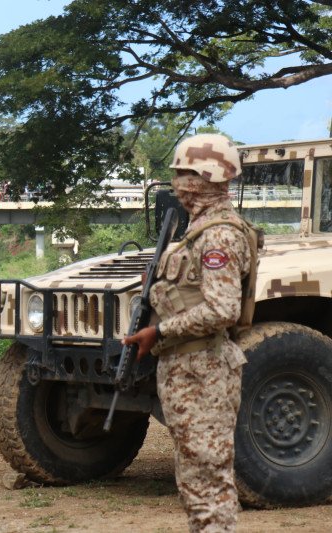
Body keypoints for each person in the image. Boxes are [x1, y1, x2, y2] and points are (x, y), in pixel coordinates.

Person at [123, 133, 255, 532]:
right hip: (187, 368)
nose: (177, 183)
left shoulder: (219, 235)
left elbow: (222, 309)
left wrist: (159, 331)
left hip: (204, 370)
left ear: (205, 176)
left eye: (183, 173)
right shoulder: (197, 230)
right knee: (195, 480)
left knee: (209, 482)